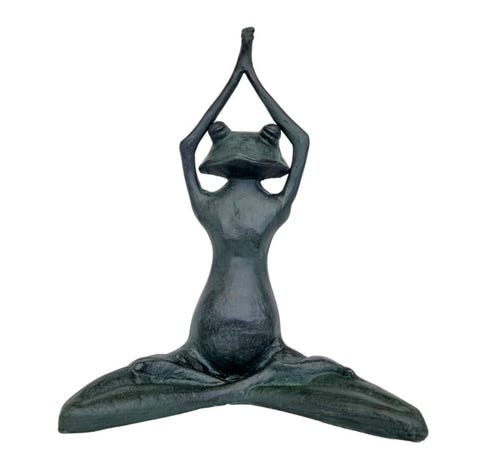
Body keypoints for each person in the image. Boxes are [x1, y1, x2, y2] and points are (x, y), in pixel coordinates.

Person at [59, 28, 427, 442]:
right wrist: (245, 74)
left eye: (266, 138)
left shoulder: (221, 204)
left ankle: (231, 390)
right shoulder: (264, 206)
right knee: (99, 398)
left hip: (265, 344)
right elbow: (297, 139)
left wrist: (243, 73)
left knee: (365, 395)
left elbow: (189, 144)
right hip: (205, 345)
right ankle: (242, 390)